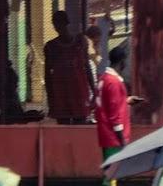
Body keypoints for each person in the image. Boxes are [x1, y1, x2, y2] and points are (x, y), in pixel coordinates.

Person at [42, 9, 94, 124]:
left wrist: (94, 91)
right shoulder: (51, 47)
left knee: (80, 124)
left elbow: (87, 66)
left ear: (66, 23)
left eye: (59, 23)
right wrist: (51, 98)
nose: (57, 26)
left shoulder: (80, 42)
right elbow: (47, 75)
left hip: (79, 92)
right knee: (63, 127)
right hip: (61, 93)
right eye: (55, 23)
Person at [96, 45, 132, 174]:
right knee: (112, 172)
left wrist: (126, 100)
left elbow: (108, 104)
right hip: (114, 137)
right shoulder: (114, 83)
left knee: (111, 169)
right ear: (122, 61)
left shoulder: (104, 79)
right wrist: (122, 139)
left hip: (106, 134)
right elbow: (114, 115)